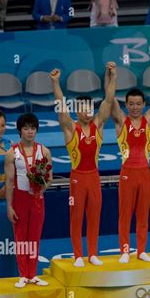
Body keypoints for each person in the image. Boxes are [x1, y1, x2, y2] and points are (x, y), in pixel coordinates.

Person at [50, 62, 117, 268]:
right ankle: (78, 255)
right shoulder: (70, 127)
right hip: (78, 178)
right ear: (77, 111)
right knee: (76, 217)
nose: (88, 112)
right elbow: (61, 106)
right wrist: (55, 83)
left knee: (94, 216)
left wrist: (112, 76)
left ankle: (93, 253)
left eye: (90, 108)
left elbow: (109, 99)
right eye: (83, 109)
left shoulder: (98, 124)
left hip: (94, 177)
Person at [110, 68, 150, 264]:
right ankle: (125, 249)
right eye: (131, 104)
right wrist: (112, 77)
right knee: (125, 214)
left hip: (144, 173)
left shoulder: (149, 121)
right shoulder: (121, 121)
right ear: (126, 105)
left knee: (143, 213)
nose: (135, 107)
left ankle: (141, 250)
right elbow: (109, 100)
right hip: (127, 173)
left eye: (138, 104)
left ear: (144, 104)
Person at [5, 113, 53, 288]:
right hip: (20, 199)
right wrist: (9, 207)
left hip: (37, 199)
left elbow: (49, 178)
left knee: (34, 238)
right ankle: (23, 275)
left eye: (32, 128)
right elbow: (9, 182)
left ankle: (32, 274)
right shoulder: (12, 153)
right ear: (20, 131)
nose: (30, 131)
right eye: (26, 128)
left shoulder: (45, 151)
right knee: (21, 238)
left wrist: (41, 187)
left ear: (37, 130)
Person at [0, 111, 18, 278]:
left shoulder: (11, 145)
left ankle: (9, 277)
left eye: (3, 125)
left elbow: (18, 171)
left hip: (7, 202)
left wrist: (8, 188)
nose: (0, 129)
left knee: (7, 244)